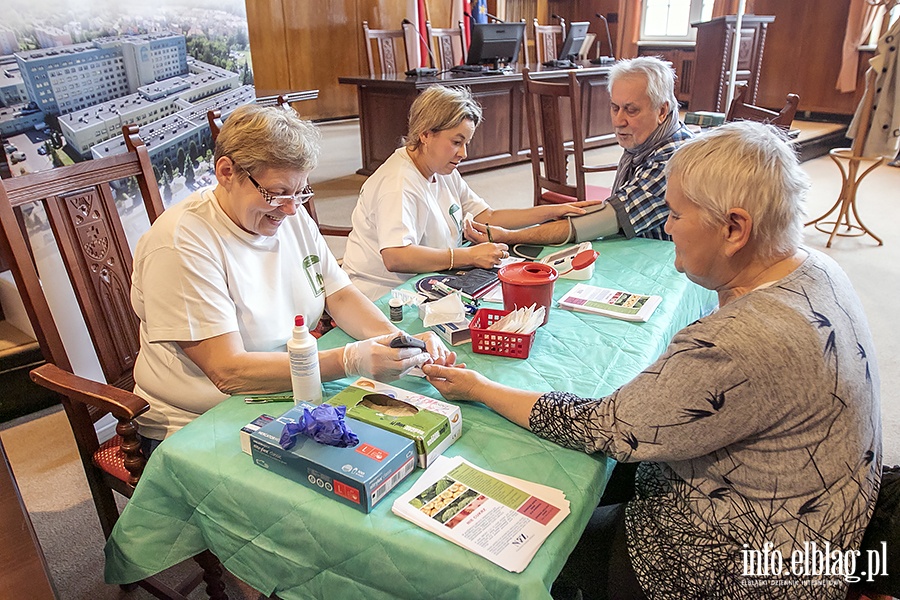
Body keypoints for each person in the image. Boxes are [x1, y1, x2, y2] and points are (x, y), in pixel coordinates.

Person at [423, 121, 882, 599]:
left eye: (677, 215)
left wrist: (477, 387)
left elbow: (603, 426)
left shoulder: (735, 342)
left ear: (734, 228)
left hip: (737, 566)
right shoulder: (818, 268)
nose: (666, 226)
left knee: (534, 543)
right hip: (820, 533)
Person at [131, 104, 455, 455]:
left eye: (300, 192)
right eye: (277, 193)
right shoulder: (181, 244)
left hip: (286, 388)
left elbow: (340, 295)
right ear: (226, 172)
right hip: (197, 421)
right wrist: (349, 360)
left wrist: (394, 340)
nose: (291, 209)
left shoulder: (288, 215)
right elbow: (228, 372)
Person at [340, 85, 599, 300]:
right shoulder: (398, 183)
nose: (463, 154)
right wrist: (467, 256)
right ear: (426, 134)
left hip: (429, 280)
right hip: (385, 295)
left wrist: (550, 211)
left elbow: (487, 215)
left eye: (465, 143)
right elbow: (396, 256)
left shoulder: (441, 169)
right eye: (456, 142)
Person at [465, 56, 693, 248]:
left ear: (662, 110)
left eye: (631, 110)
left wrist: (510, 237)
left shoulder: (672, 160)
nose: (619, 121)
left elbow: (603, 222)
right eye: (615, 108)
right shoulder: (647, 137)